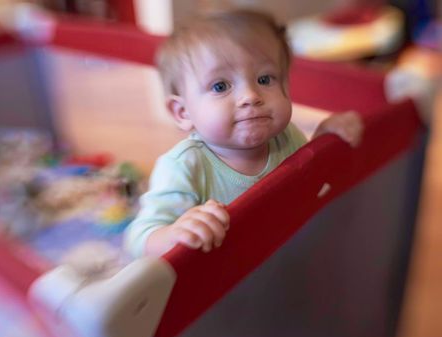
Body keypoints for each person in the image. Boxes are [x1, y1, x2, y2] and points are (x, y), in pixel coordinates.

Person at [124, 9, 364, 258]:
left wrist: (324, 142)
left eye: (265, 79)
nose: (250, 96)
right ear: (183, 112)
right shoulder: (183, 167)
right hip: (222, 287)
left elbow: (307, 186)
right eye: (220, 86)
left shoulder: (287, 137)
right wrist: (174, 233)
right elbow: (138, 240)